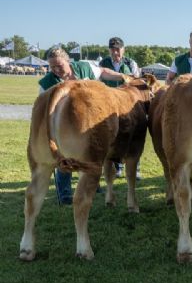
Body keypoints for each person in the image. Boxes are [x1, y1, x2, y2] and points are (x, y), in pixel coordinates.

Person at [39, 47, 126, 205]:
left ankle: (93, 183)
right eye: (52, 67)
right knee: (65, 156)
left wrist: (123, 76)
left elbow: (104, 72)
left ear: (68, 61)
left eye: (59, 65)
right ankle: (65, 194)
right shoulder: (46, 84)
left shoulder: (84, 67)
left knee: (94, 152)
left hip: (92, 121)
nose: (56, 70)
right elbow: (44, 110)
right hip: (65, 125)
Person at [99, 37, 141, 179]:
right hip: (108, 104)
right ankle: (117, 166)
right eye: (112, 49)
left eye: (118, 49)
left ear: (123, 49)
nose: (115, 52)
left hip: (127, 104)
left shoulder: (131, 63)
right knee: (112, 135)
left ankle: (136, 168)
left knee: (134, 134)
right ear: (109, 50)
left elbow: (136, 82)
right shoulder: (103, 63)